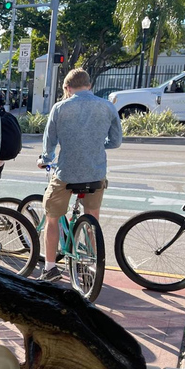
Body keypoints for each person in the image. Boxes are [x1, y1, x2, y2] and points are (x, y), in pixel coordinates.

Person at [37, 68, 122, 282]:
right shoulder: (107, 106)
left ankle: (49, 268)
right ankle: (93, 263)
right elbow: (116, 141)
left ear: (67, 88)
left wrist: (44, 160)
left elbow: (49, 144)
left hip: (66, 174)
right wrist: (96, 144)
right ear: (89, 86)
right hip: (95, 173)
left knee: (52, 217)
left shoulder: (60, 108)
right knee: (93, 216)